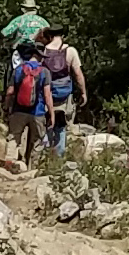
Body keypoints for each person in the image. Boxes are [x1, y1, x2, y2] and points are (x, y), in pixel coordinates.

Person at [0, 10, 50, 156]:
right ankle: (30, 164)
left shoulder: (19, 20)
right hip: (37, 110)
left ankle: (10, 160)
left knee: (15, 79)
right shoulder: (43, 22)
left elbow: (4, 32)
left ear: (23, 9)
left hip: (20, 54)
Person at [36, 24, 89, 157]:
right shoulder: (70, 51)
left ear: (49, 36)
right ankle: (58, 155)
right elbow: (78, 74)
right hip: (64, 94)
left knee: (47, 120)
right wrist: (83, 92)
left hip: (46, 92)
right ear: (63, 35)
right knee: (61, 124)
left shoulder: (42, 51)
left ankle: (45, 152)